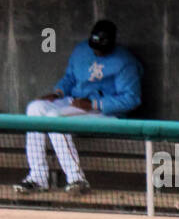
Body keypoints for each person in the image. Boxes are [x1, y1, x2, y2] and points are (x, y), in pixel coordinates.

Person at [14, 19, 141, 196]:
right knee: (35, 108)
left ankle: (76, 179)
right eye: (94, 47)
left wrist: (94, 104)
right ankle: (37, 177)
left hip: (105, 112)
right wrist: (58, 93)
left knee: (54, 119)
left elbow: (131, 99)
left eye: (101, 49)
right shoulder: (81, 50)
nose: (96, 51)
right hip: (75, 103)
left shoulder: (124, 62)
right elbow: (70, 78)